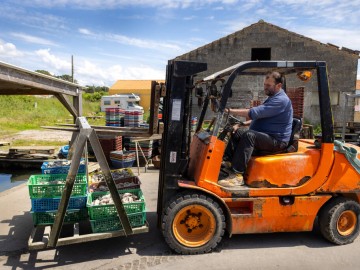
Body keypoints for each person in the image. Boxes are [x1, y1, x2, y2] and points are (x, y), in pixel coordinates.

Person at [218, 71, 293, 187]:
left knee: (249, 136)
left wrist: (228, 110)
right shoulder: (273, 98)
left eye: (268, 86)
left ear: (278, 86)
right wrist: (241, 124)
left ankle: (237, 176)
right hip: (267, 136)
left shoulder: (281, 100)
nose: (265, 88)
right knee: (236, 131)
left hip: (277, 141)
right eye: (264, 85)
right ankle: (228, 163)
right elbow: (259, 117)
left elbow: (254, 113)